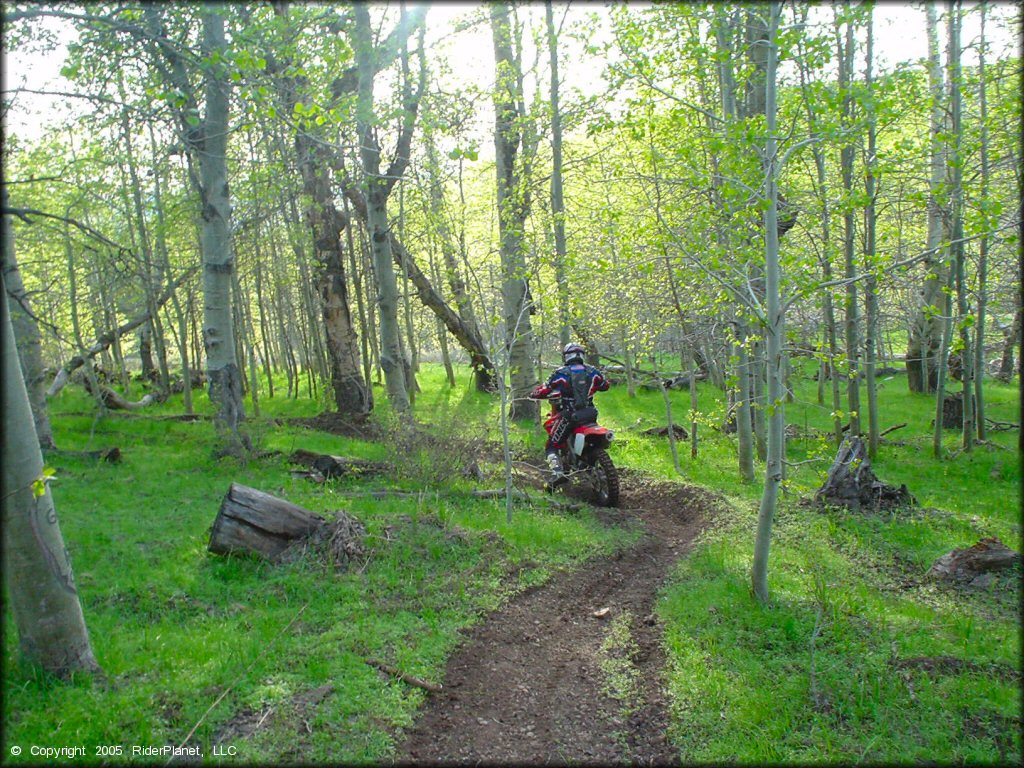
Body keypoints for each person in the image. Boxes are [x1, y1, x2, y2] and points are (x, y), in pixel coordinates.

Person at [529, 342, 610, 486]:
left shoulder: (560, 373)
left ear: (567, 356)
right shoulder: (593, 372)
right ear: (582, 355)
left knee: (552, 445)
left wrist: (532, 394)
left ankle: (557, 473)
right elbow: (605, 386)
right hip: (590, 414)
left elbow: (544, 390)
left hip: (568, 415)